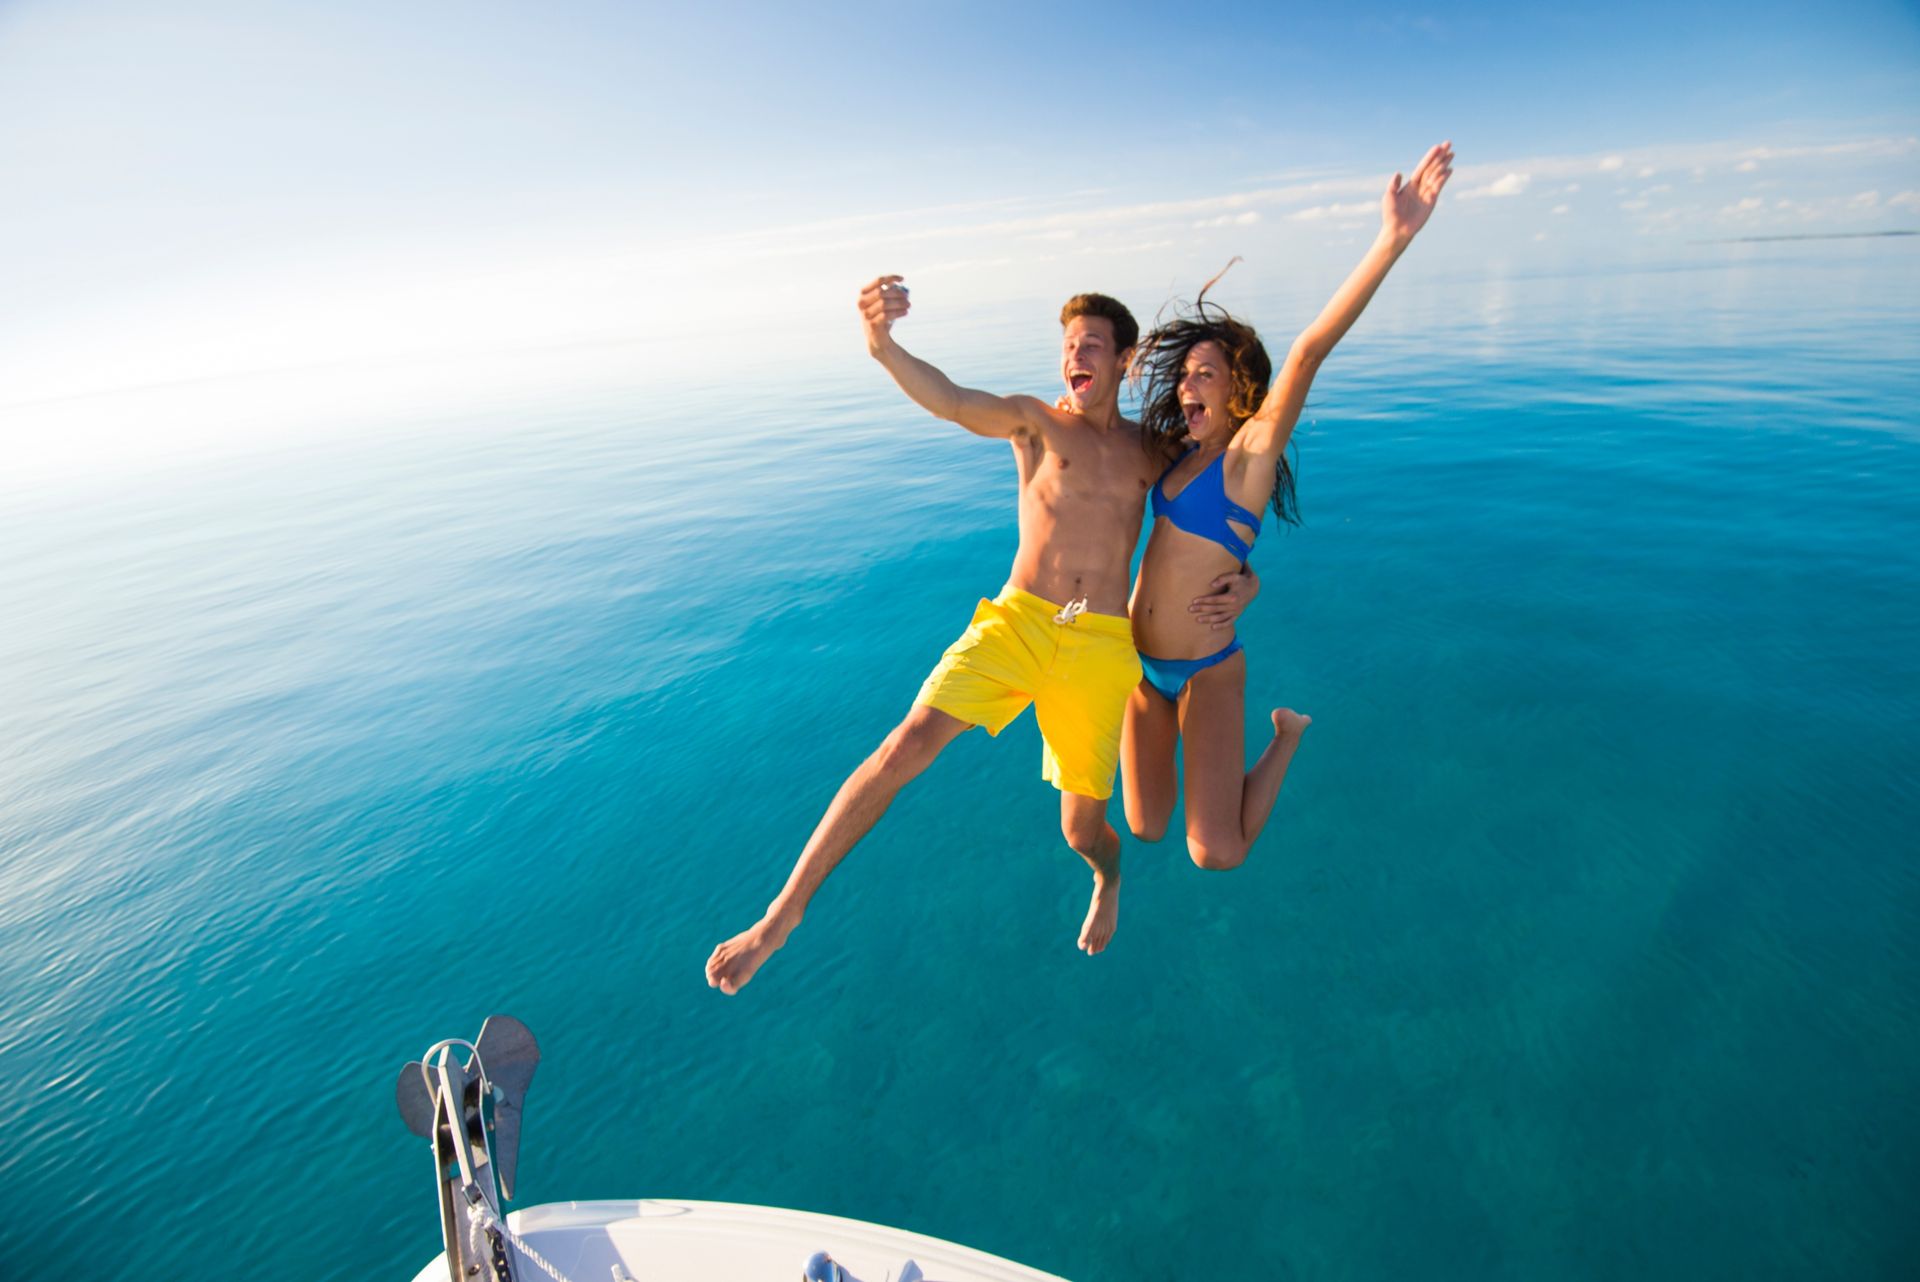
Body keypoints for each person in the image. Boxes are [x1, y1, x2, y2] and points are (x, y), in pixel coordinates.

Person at [704, 280, 1253, 994]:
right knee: (903, 746)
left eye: (1091, 344)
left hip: (1099, 646)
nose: (1075, 356)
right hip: (1018, 623)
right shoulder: (1034, 423)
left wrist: (1247, 579)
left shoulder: (1152, 450)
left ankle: (1108, 879)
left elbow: (1210, 510)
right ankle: (780, 918)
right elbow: (952, 400)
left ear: (1124, 359)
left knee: (1083, 832)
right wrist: (882, 345)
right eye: (1068, 345)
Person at [1122, 141, 1454, 870]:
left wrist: (1392, 239)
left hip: (1207, 668)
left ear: (1240, 391)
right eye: (1184, 375)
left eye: (1205, 375)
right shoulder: (1177, 454)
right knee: (1143, 827)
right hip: (1141, 670)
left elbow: (1306, 352)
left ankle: (1288, 735)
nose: (1186, 386)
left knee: (1216, 853)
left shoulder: (1246, 461)